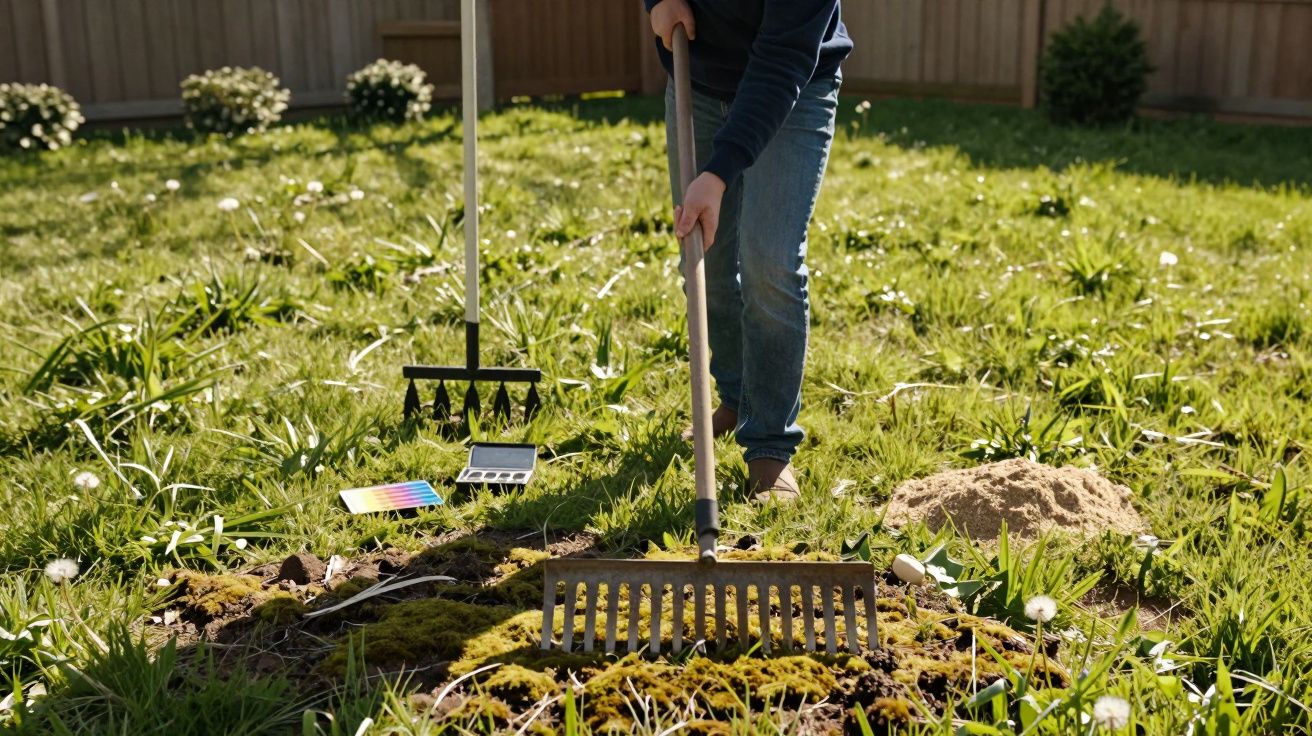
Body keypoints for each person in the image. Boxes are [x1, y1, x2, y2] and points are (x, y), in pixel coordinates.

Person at [645, 0, 852, 502]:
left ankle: (769, 446)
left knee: (770, 262)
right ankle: (737, 397)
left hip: (793, 90)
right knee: (706, 264)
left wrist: (718, 174)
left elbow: (782, 57)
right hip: (700, 80)